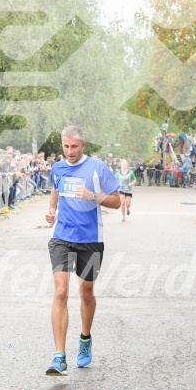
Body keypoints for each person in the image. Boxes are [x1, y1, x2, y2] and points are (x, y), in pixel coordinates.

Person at [44, 126, 120, 376]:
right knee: (61, 291)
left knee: (86, 292)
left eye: (74, 146)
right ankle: (59, 356)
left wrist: (92, 196)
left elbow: (116, 201)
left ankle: (85, 339)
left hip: (90, 239)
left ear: (84, 145)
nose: (69, 151)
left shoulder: (97, 168)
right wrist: (51, 210)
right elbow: (55, 188)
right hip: (61, 237)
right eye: (65, 146)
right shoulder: (57, 167)